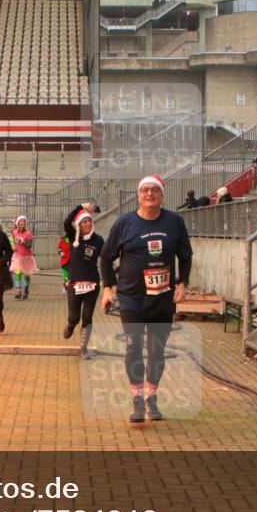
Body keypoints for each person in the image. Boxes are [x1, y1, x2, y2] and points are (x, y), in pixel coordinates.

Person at [100, 175, 193, 424]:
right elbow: (106, 257)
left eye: (154, 190)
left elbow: (185, 255)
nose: (149, 194)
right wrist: (108, 288)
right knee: (133, 347)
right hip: (131, 298)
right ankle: (137, 399)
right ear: (138, 195)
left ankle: (151, 396)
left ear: (162, 196)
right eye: (144, 190)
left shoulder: (175, 222)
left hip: (162, 299)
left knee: (156, 351)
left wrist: (182, 283)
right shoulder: (125, 223)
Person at [63, 205, 105, 358]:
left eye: (89, 221)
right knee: (74, 317)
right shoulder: (74, 236)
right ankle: (70, 325)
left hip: (92, 285)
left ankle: (83, 348)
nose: (87, 224)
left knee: (87, 316)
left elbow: (106, 257)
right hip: (74, 285)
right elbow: (67, 222)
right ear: (79, 225)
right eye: (84, 222)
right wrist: (81, 206)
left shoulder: (98, 240)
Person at [10, 215, 39, 299]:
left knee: (26, 274)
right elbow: (12, 242)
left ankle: (26, 289)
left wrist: (22, 241)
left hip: (27, 257)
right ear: (17, 223)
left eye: (24, 221)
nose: (23, 223)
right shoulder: (14, 232)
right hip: (18, 256)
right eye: (21, 221)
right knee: (17, 273)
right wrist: (13, 246)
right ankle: (18, 291)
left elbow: (29, 246)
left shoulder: (29, 233)